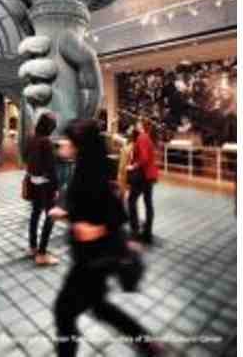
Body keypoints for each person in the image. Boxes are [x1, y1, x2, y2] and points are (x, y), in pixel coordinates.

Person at [49, 119, 164, 357]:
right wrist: (69, 214)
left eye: (68, 140)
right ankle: (146, 343)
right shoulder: (91, 168)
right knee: (100, 308)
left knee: (64, 312)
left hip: (91, 260)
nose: (62, 144)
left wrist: (91, 228)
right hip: (95, 258)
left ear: (79, 145)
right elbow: (109, 208)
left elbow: (109, 215)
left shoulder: (88, 174)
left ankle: (68, 352)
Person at [26, 111, 60, 266]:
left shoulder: (33, 139)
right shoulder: (46, 141)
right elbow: (51, 167)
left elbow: (26, 157)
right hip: (46, 184)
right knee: (51, 216)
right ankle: (42, 253)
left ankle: (32, 247)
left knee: (35, 213)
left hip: (34, 181)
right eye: (53, 124)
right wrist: (56, 187)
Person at [127, 118, 159, 245]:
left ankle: (135, 230)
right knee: (148, 202)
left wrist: (133, 166)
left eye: (138, 123)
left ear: (141, 125)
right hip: (149, 175)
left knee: (131, 200)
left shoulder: (142, 137)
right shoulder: (147, 137)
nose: (136, 124)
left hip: (143, 175)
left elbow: (144, 158)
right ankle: (147, 232)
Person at [116, 129, 138, 201]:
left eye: (130, 134)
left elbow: (132, 156)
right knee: (120, 179)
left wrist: (131, 165)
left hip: (126, 166)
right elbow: (115, 137)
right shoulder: (126, 142)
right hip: (122, 166)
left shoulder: (133, 145)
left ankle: (123, 195)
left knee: (124, 181)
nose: (128, 135)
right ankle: (122, 195)